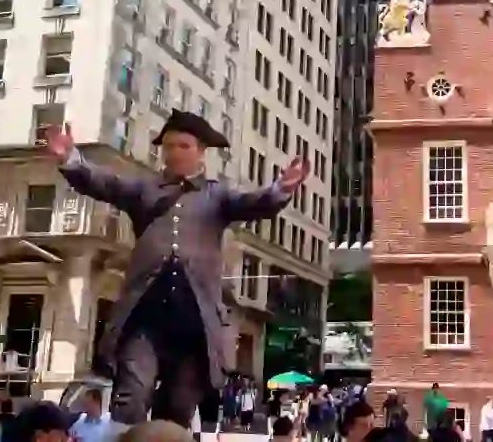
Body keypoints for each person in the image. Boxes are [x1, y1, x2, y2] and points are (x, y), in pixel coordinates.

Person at [44, 112, 307, 430]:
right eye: (168, 146)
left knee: (177, 410)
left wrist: (281, 188)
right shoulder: (144, 190)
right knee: (131, 398)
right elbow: (105, 183)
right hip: (144, 321)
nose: (174, 153)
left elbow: (254, 202)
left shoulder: (216, 195)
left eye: (183, 145)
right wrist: (72, 159)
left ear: (200, 151)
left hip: (194, 327)